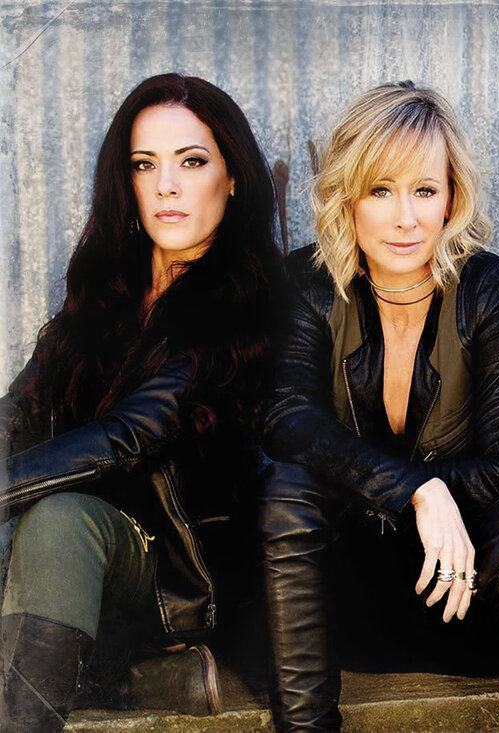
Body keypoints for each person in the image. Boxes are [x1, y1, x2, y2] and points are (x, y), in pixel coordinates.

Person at [259, 82, 499, 732]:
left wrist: (433, 495)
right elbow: (286, 419)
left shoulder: (491, 290)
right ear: (347, 196)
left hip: (460, 594)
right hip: (342, 599)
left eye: (425, 191)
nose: (405, 217)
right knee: (286, 489)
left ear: (451, 200)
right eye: (381, 190)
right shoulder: (309, 285)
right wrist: (416, 491)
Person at [0, 73, 281, 731]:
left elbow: (132, 432)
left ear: (232, 175)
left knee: (61, 519)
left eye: (192, 161)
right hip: (82, 575)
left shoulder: (243, 303)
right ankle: (129, 678)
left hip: (180, 580)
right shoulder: (106, 294)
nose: (167, 185)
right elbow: (22, 409)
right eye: (144, 164)